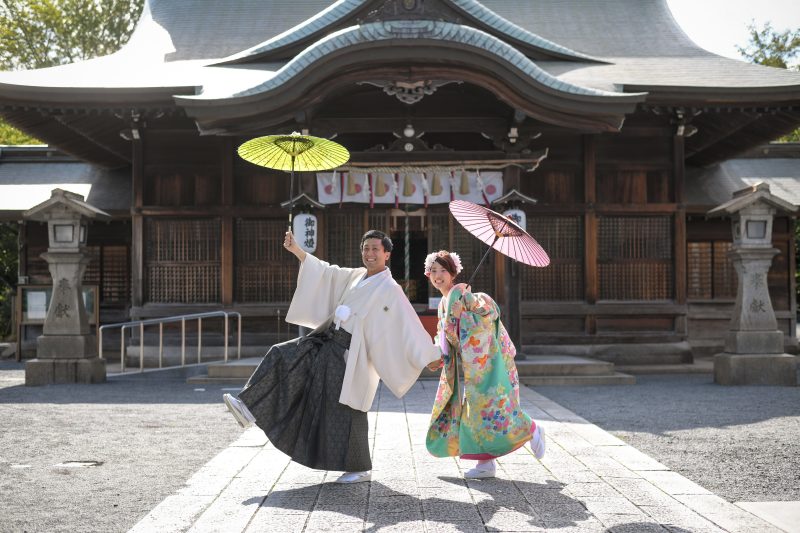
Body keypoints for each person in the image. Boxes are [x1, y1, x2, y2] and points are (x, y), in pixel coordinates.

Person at [223, 229, 440, 484]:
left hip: (350, 354)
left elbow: (408, 324)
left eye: (375, 249)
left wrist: (428, 355)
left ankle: (359, 467)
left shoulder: (390, 289)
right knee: (282, 355)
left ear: (387, 254)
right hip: (326, 340)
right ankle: (249, 406)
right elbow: (326, 273)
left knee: (347, 407)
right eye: (366, 248)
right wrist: (298, 252)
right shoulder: (357, 276)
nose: (369, 254)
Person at [424, 250, 545, 479]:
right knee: (476, 411)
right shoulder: (444, 302)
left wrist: (465, 314)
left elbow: (490, 312)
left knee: (492, 406)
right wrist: (438, 357)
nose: (438, 275)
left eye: (443, 271)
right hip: (471, 365)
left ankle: (531, 429)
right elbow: (444, 337)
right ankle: (485, 464)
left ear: (453, 274)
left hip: (487, 362)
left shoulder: (465, 295)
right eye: (434, 270)